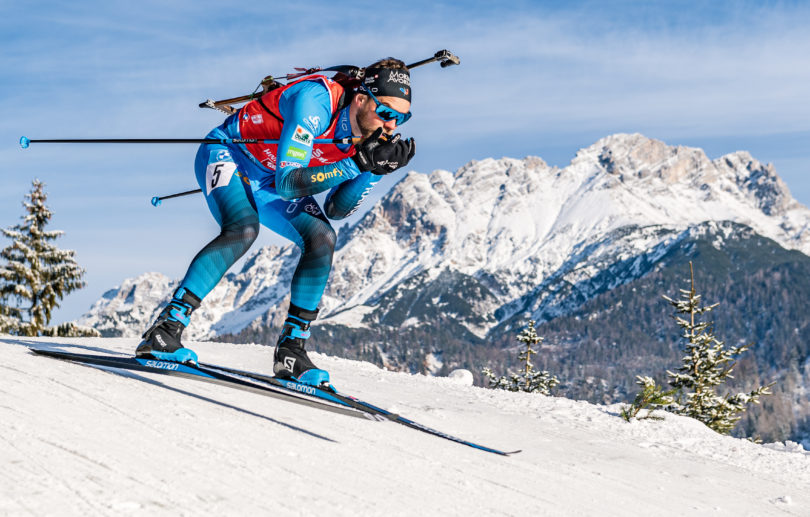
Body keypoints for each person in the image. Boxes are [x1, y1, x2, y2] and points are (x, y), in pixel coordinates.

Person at [135, 58, 415, 386]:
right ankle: (164, 330)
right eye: (386, 113)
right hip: (230, 154)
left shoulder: (372, 137)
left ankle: (291, 352)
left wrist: (375, 170)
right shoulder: (316, 100)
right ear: (362, 99)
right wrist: (356, 164)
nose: (392, 126)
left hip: (271, 179)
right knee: (243, 228)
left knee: (323, 238)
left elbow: (338, 209)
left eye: (402, 118)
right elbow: (287, 184)